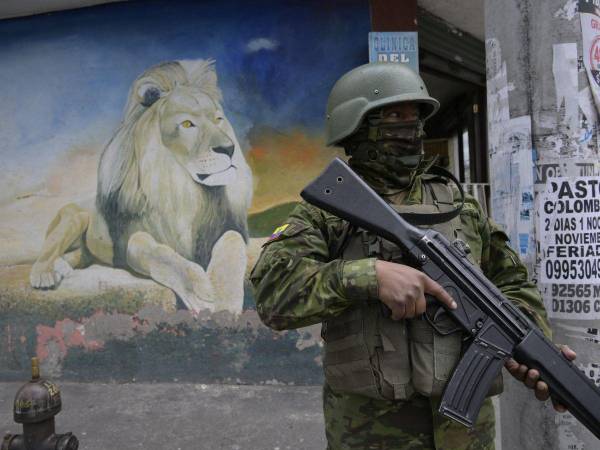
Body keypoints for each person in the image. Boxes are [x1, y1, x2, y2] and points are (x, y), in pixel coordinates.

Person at [250, 62, 575, 450]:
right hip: (370, 434)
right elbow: (273, 294)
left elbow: (512, 284)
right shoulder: (328, 211)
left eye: (415, 116)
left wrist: (530, 340)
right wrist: (369, 276)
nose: (411, 128)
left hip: (467, 437)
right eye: (393, 116)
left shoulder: (459, 206)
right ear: (357, 127)